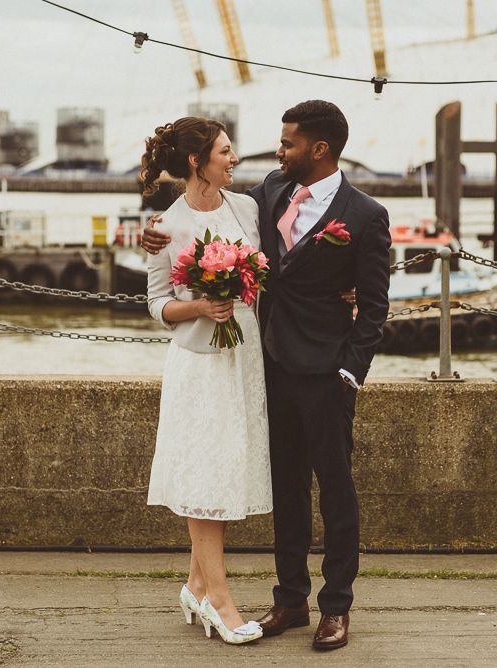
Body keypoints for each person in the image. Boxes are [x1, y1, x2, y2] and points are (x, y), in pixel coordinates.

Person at [143, 100, 392, 651]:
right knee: (287, 488)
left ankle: (337, 607)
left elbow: (374, 306)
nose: (277, 153)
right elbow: (201, 214)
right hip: (268, 365)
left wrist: (351, 372)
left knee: (336, 490)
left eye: (287, 144)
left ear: (318, 149)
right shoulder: (266, 196)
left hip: (327, 371)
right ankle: (290, 600)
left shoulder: (365, 214)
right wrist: (152, 237)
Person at [142, 116, 270, 645]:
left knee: (226, 468)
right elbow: (155, 304)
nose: (234, 157)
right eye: (225, 150)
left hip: (243, 358)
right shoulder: (165, 227)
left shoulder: (247, 208)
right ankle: (219, 599)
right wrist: (199, 304)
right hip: (198, 364)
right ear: (198, 161)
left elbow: (263, 274)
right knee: (204, 474)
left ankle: (196, 585)